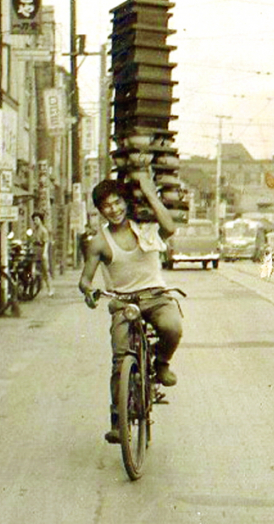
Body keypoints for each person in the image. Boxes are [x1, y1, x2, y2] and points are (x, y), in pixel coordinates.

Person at [78, 172, 182, 444]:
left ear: (125, 201)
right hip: (124, 302)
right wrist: (89, 292)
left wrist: (149, 192)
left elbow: (169, 229)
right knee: (120, 358)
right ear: (100, 211)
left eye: (117, 202)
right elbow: (85, 279)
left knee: (173, 327)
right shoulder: (99, 242)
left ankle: (161, 364)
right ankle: (117, 418)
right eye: (106, 206)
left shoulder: (144, 227)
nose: (113, 210)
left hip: (156, 296)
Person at [31, 212, 54, 297]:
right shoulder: (33, 230)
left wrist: (44, 253)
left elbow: (46, 243)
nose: (35, 221)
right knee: (33, 269)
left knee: (45, 271)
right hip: (35, 250)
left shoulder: (44, 230)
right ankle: (37, 288)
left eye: (37, 219)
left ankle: (50, 289)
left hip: (41, 250)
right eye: (34, 220)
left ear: (40, 220)